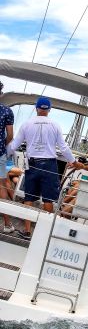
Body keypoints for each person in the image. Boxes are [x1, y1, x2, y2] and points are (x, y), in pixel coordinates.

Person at [7, 96, 81, 240]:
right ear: (49, 110)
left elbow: (14, 146)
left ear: (36, 108)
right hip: (49, 165)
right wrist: (74, 161)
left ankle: (27, 231)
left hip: (32, 164)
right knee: (48, 200)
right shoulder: (55, 125)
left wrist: (4, 153)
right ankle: (47, 233)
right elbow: (63, 147)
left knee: (29, 197)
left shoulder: (26, 124)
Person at [0, 81, 14, 233]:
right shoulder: (6, 111)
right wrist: (2, 145)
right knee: (2, 185)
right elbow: (10, 135)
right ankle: (7, 225)